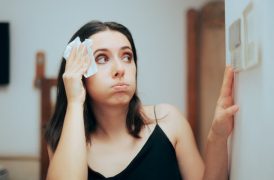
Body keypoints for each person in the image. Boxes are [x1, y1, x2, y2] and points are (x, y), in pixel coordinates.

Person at [45, 20, 239, 180]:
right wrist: (75, 101)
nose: (120, 69)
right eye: (102, 58)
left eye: (127, 57)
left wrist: (217, 136)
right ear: (79, 72)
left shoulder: (168, 121)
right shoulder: (64, 139)